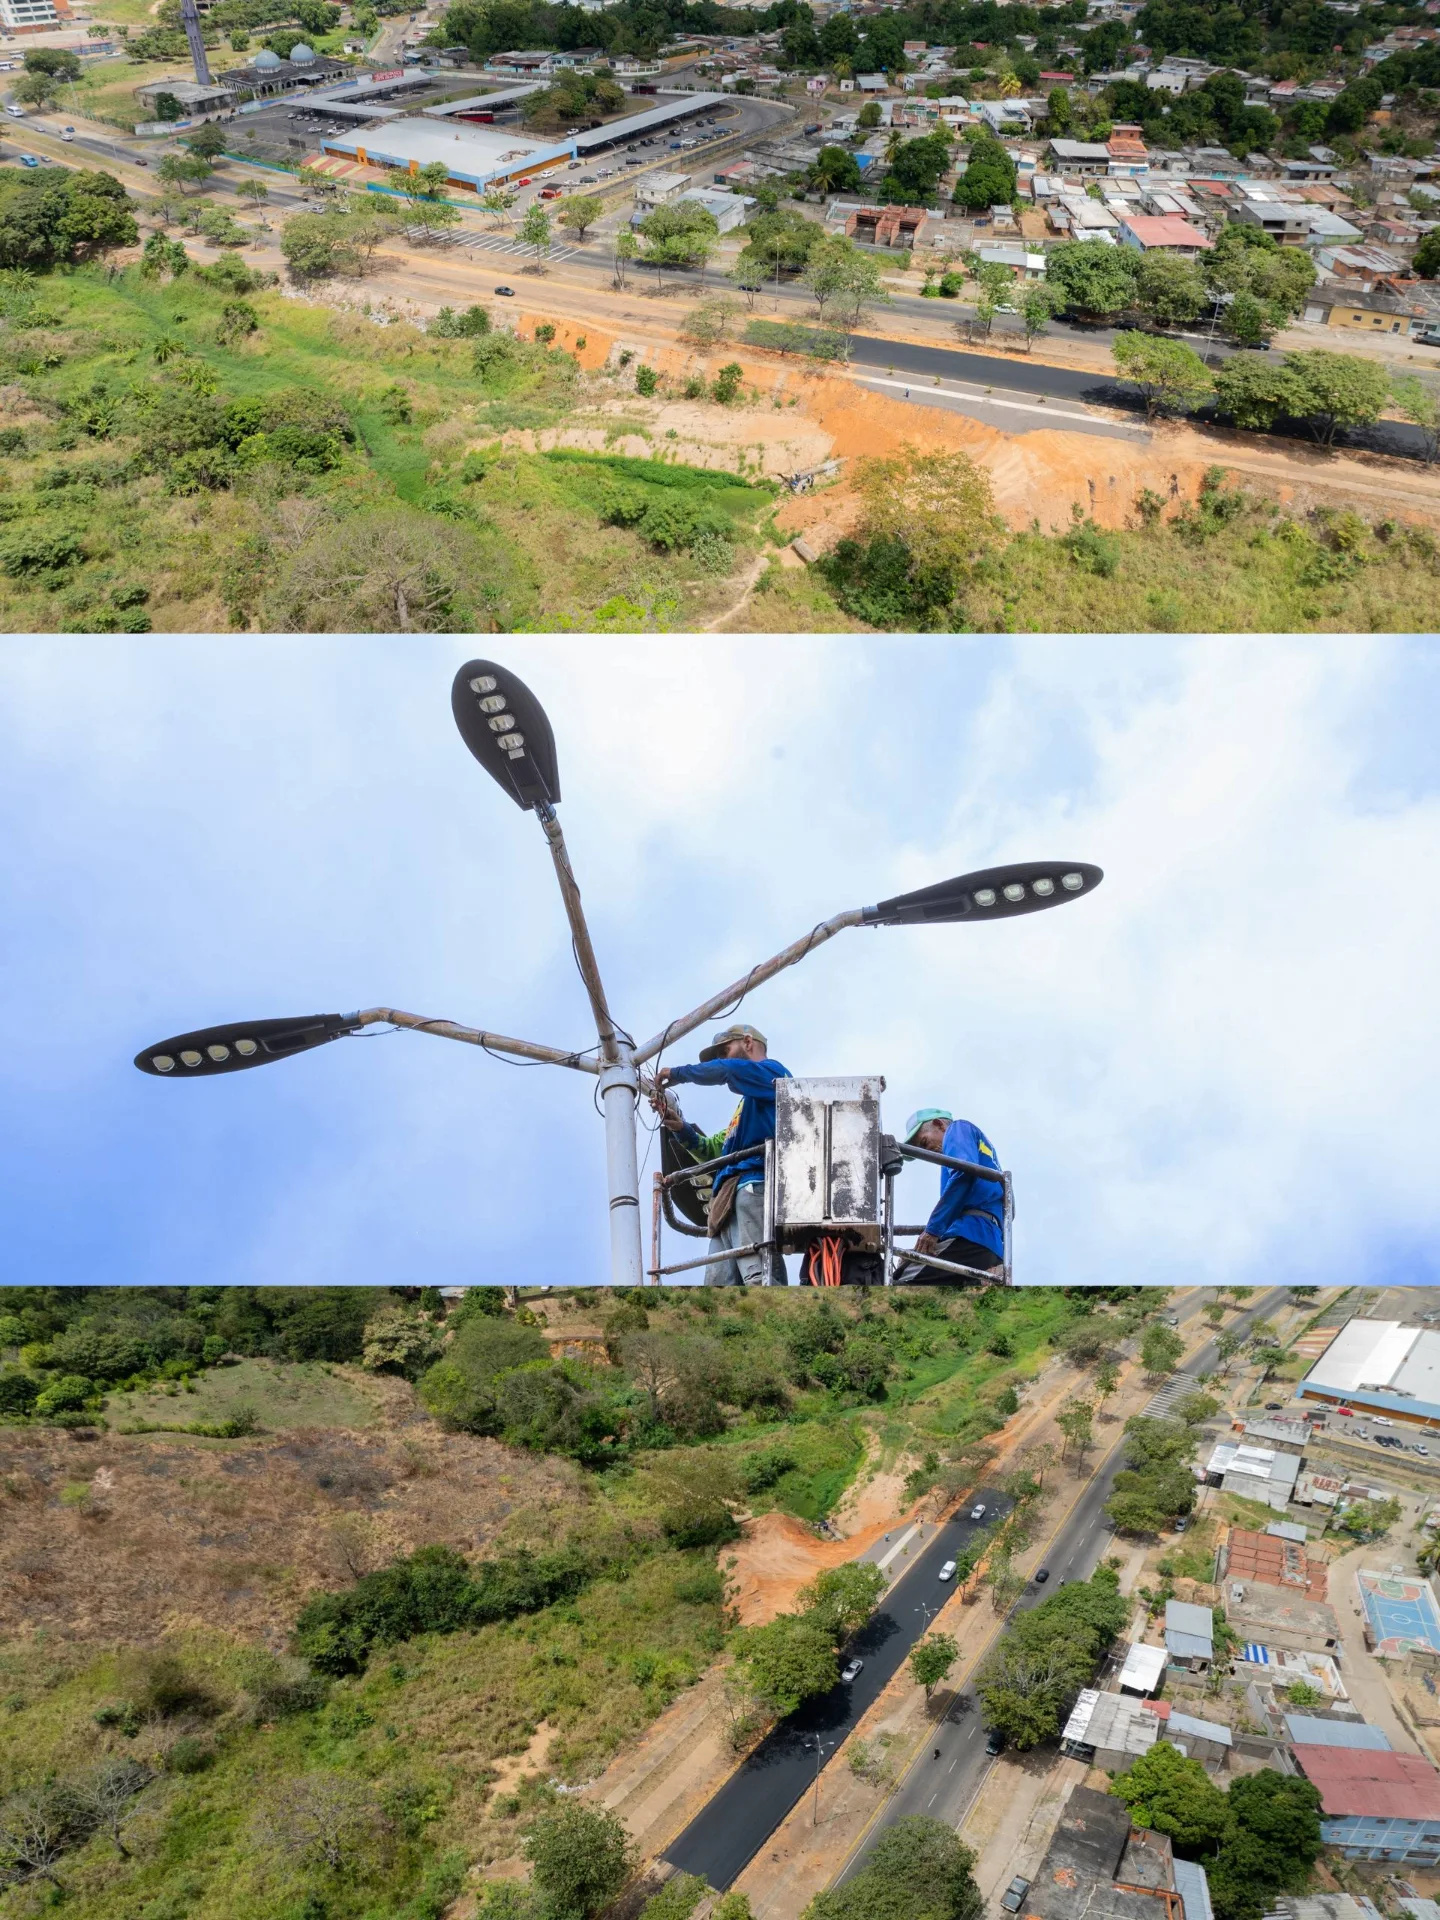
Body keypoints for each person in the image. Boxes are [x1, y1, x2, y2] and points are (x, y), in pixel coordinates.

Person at [654, 1024, 789, 1286]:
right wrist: (681, 1128)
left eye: (724, 1051)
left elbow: (727, 1070)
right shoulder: (746, 1108)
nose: (720, 1060)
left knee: (759, 1276)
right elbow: (712, 1151)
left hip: (752, 1186)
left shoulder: (774, 1074)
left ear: (748, 1042)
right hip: (726, 1198)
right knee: (717, 1285)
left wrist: (680, 1074)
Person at [893, 1108, 1005, 1285]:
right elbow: (1009, 1209)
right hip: (992, 1246)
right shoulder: (988, 1157)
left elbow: (964, 1173)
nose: (927, 1151)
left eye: (924, 1142)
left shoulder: (958, 1129)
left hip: (970, 1235)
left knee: (898, 1281)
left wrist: (933, 1230)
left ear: (939, 1124)